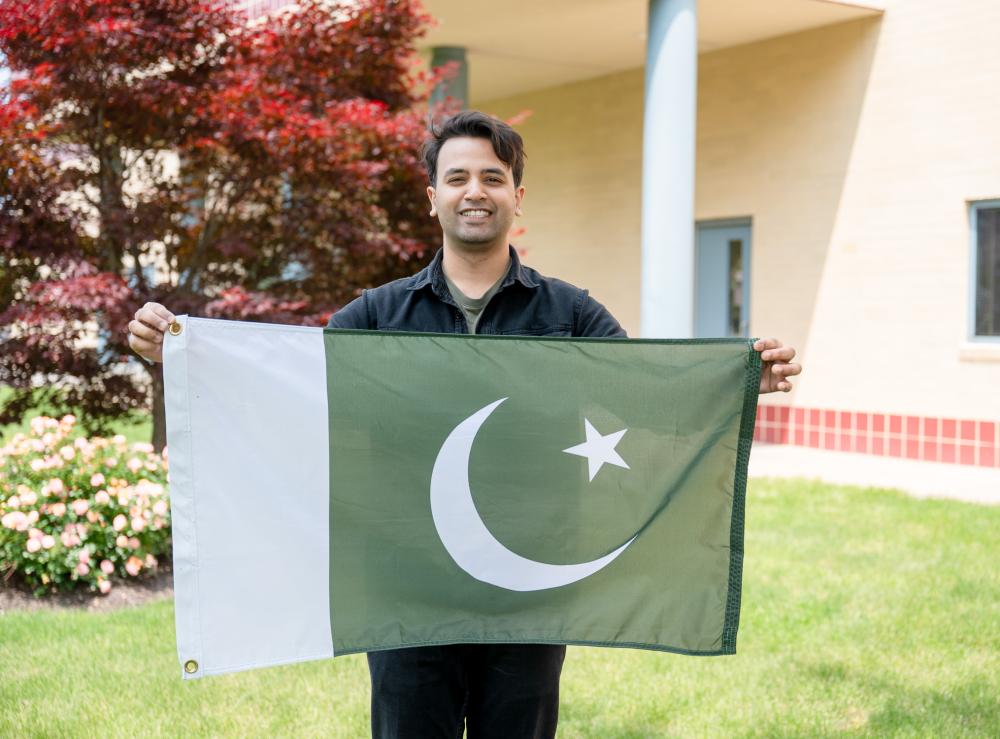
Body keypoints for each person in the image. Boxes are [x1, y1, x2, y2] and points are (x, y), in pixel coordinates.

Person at [129, 110, 801, 738]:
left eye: (492, 177)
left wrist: (742, 382)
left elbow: (649, 397)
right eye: (456, 177)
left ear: (517, 197)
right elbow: (293, 389)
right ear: (432, 198)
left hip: (531, 588)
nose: (474, 191)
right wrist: (183, 354)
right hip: (407, 587)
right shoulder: (378, 315)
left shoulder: (571, 313)